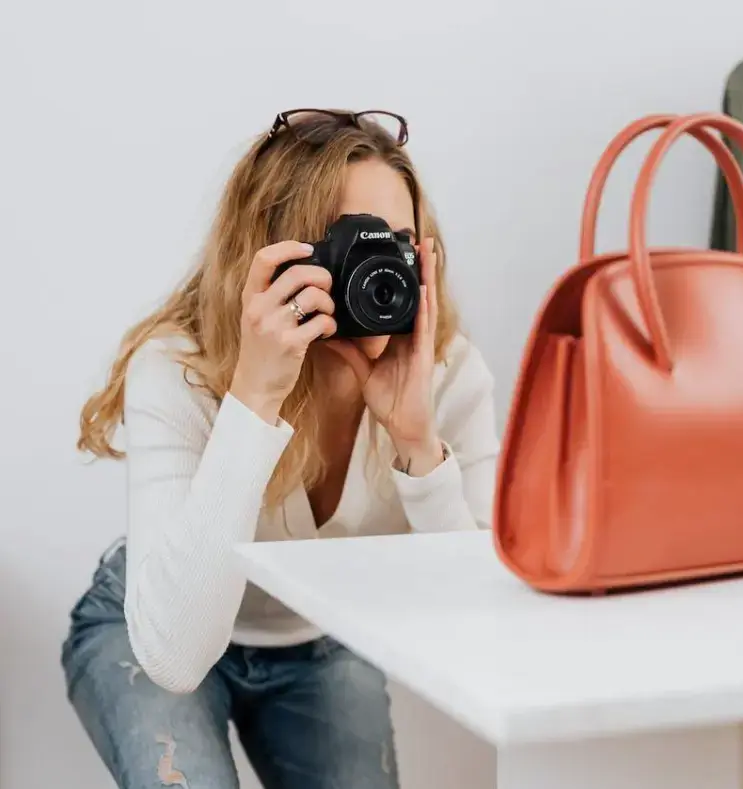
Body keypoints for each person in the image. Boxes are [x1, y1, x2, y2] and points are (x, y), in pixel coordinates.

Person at [62, 109, 500, 789]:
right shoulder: (180, 369)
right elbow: (175, 656)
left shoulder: (447, 375)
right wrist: (253, 398)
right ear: (269, 255)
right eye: (347, 244)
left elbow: (486, 631)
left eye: (396, 242)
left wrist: (418, 443)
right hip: (151, 623)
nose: (376, 267)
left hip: (316, 636)